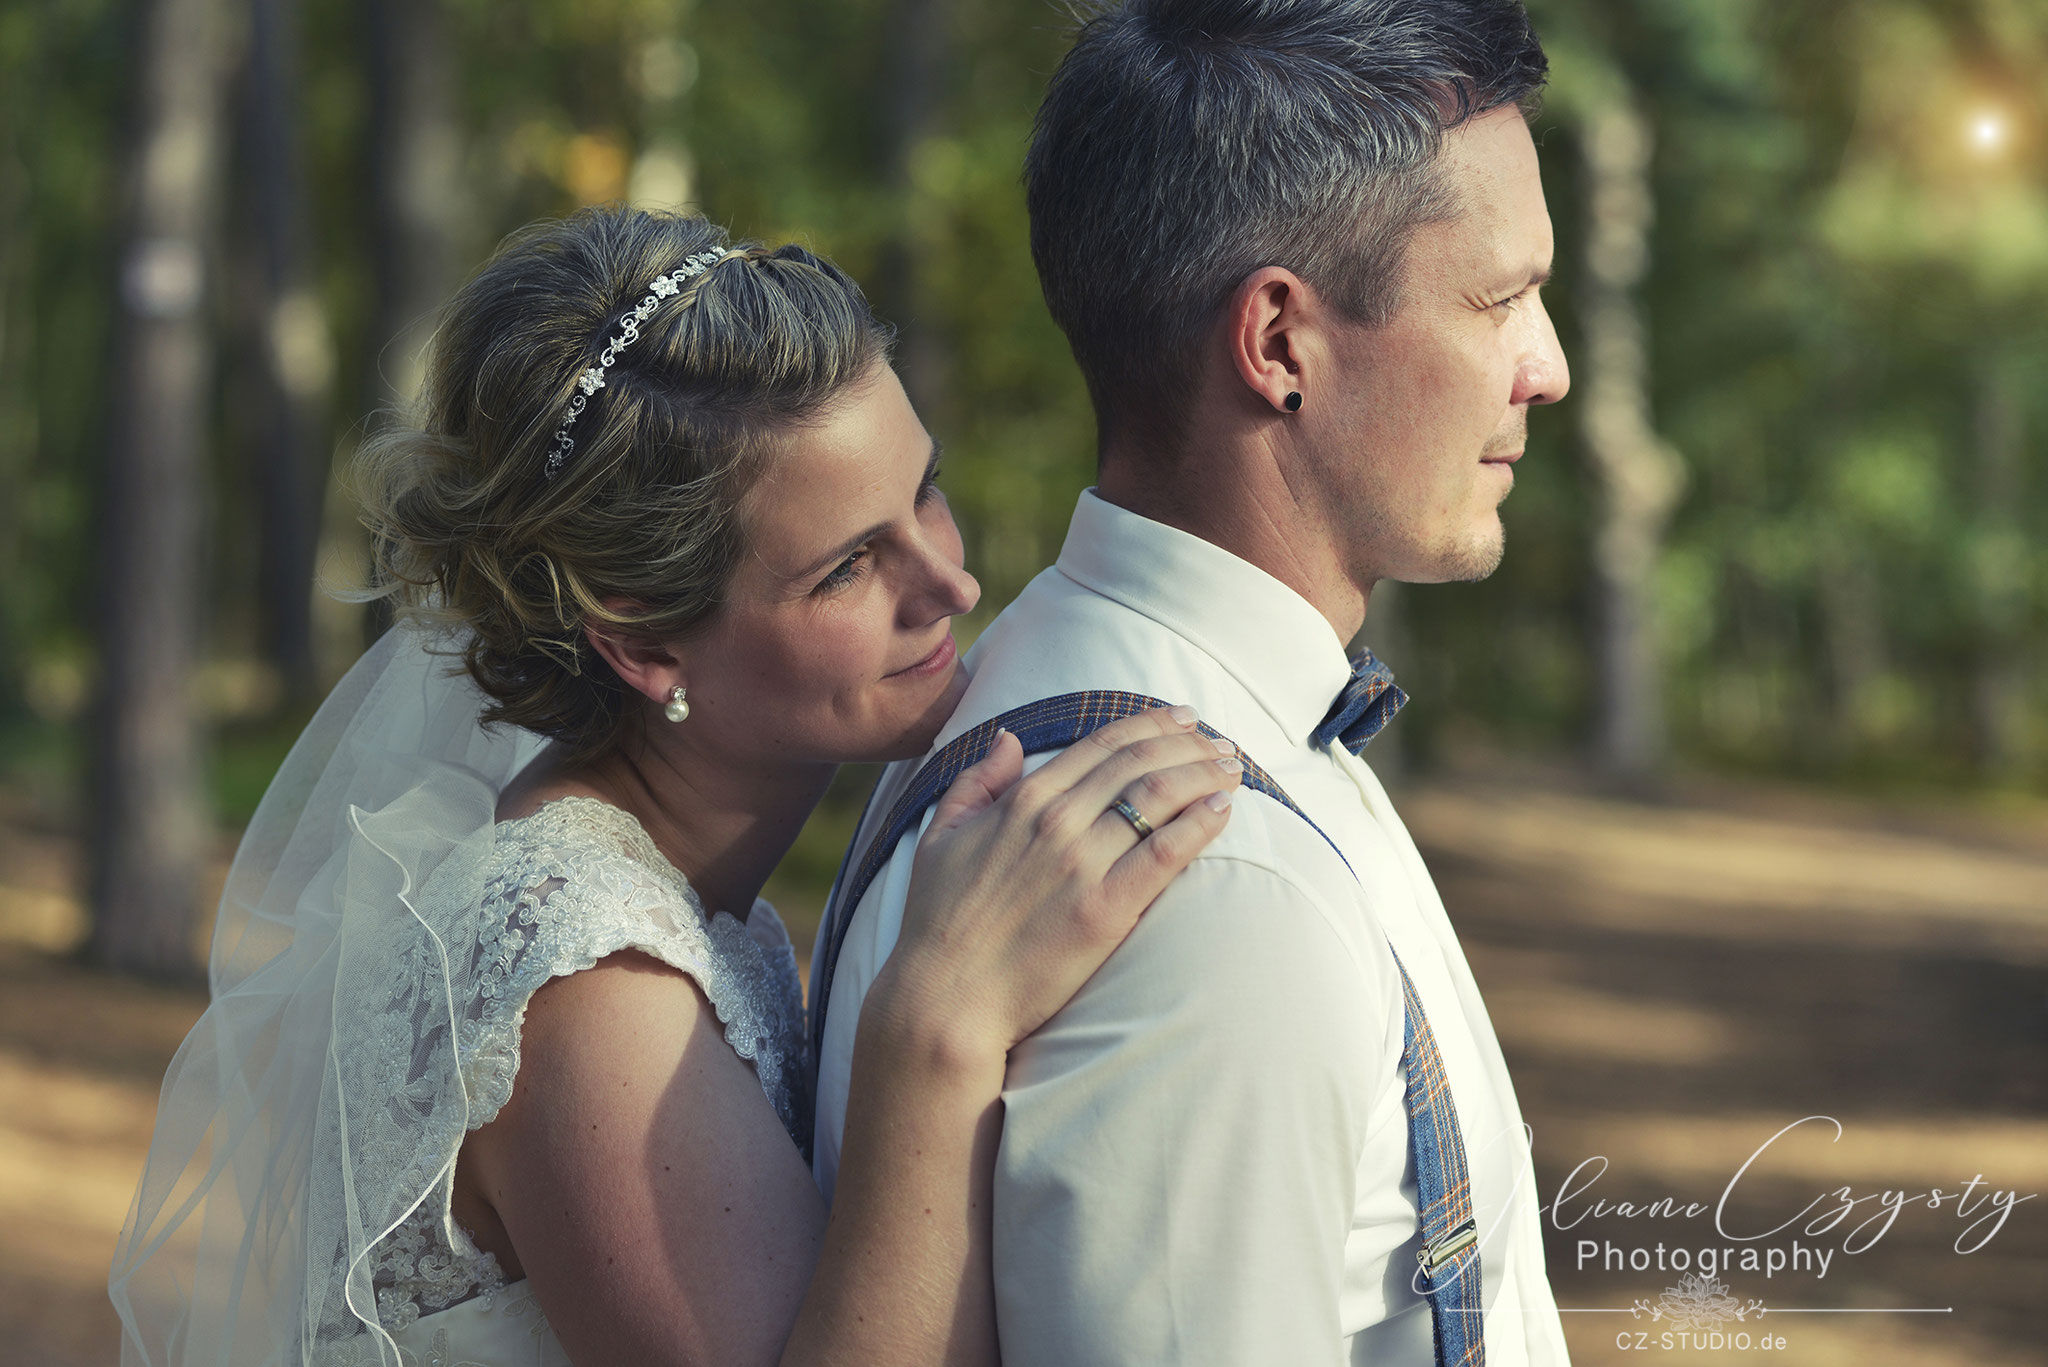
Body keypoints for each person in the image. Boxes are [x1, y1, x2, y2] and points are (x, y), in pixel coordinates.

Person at [108, 207, 1247, 1367]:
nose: (948, 580)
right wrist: (939, 1023)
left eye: (926, 492)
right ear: (644, 641)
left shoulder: (689, 900)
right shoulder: (582, 979)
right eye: (849, 565)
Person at [811, 0, 1574, 1363]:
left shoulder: (1040, 681)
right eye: (1500, 297)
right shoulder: (1205, 868)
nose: (1549, 367)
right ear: (1278, 341)